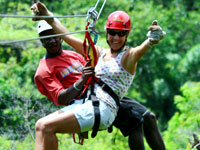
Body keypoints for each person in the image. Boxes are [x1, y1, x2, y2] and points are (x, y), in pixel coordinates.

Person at [31, 2, 166, 150]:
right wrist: (48, 16)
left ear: (127, 35)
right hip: (86, 103)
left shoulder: (128, 56)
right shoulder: (100, 52)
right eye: (112, 32)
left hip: (103, 108)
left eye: (121, 34)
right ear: (106, 32)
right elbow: (67, 36)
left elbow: (140, 50)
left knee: (47, 126)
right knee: (40, 126)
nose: (116, 38)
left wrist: (151, 41)